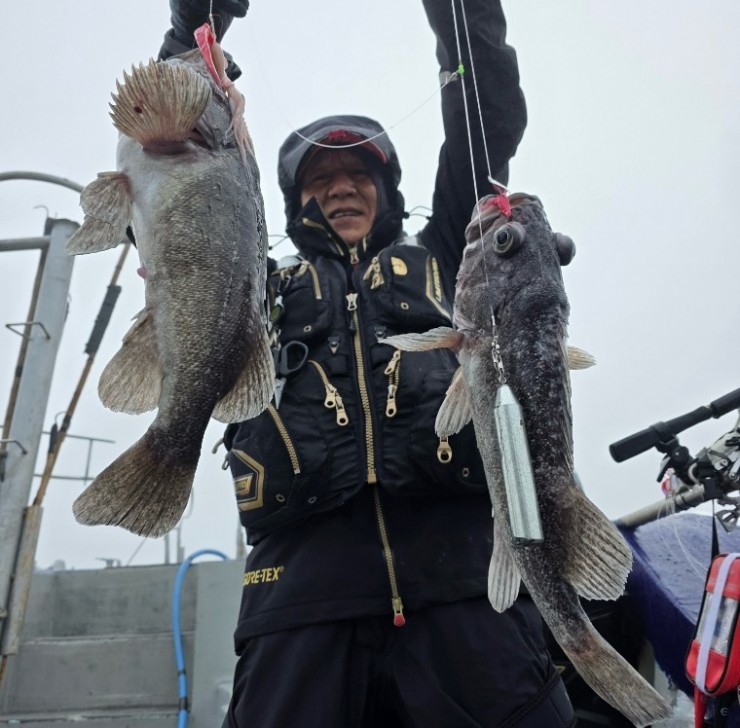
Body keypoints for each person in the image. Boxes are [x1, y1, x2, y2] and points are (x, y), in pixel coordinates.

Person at [161, 1, 576, 726]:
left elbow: (488, 112)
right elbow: (175, 180)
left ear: (389, 191)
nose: (342, 185)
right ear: (293, 201)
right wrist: (194, 30)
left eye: (359, 171)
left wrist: (463, 13)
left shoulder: (454, 255)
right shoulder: (252, 284)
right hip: (296, 599)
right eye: (320, 178)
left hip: (470, 585)